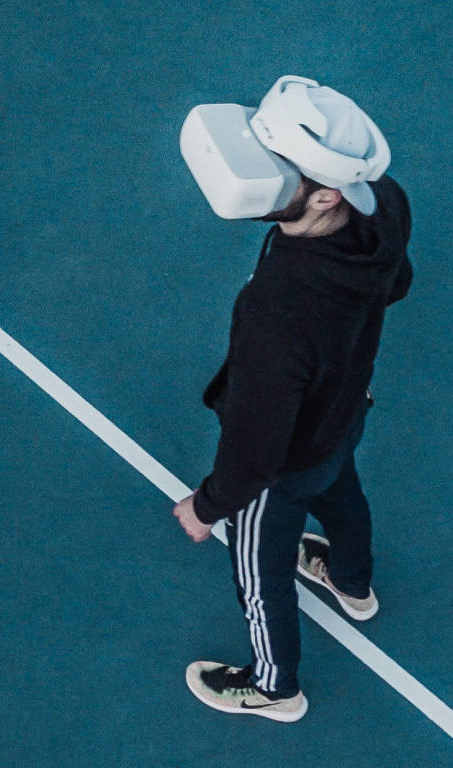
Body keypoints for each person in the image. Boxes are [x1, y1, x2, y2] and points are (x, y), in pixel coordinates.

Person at [171, 79, 412, 722]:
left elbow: (255, 450)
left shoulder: (278, 310)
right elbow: (398, 282)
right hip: (345, 412)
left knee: (261, 576)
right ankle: (352, 584)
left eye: (281, 167)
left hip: (283, 466)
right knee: (342, 494)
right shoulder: (384, 205)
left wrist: (207, 505)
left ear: (327, 193)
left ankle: (275, 688)